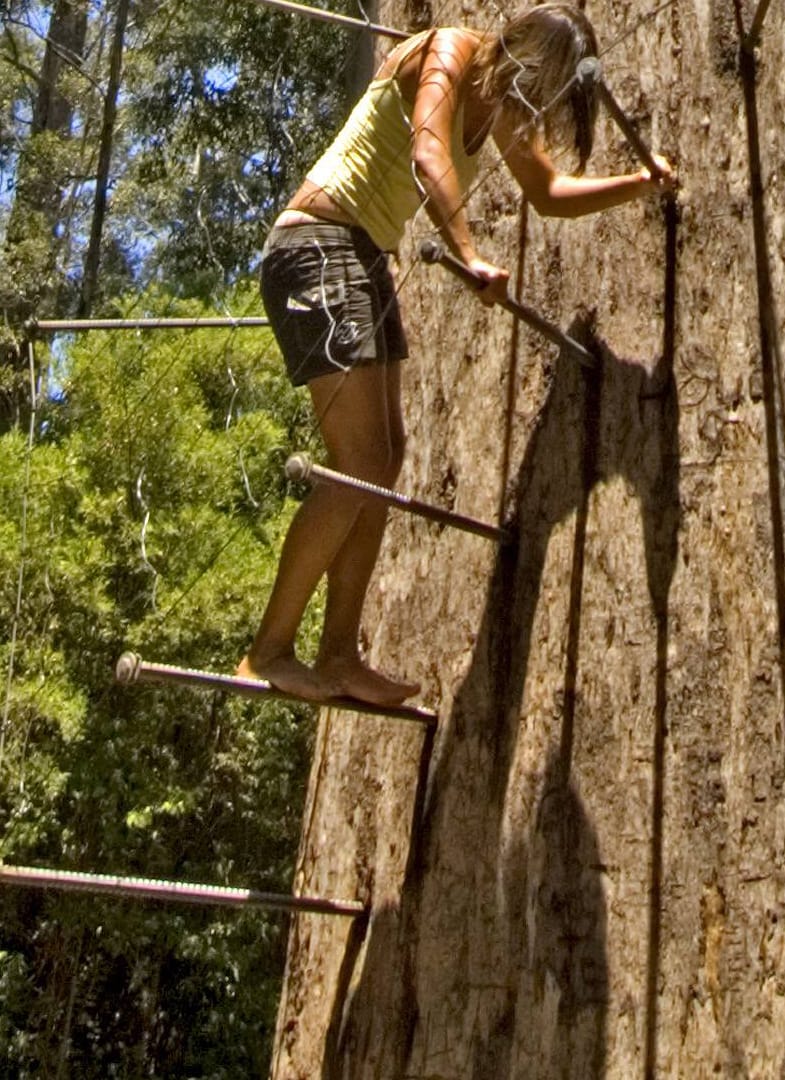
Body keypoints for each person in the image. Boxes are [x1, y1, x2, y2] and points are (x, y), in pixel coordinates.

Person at [240, 4, 674, 705]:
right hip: (314, 246)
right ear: (522, 58)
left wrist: (639, 183)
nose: (531, 109)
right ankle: (267, 651)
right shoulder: (446, 54)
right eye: (540, 89)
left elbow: (548, 192)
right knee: (355, 461)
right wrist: (469, 254)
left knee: (381, 461)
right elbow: (428, 154)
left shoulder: (499, 100)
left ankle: (340, 653)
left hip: (360, 257)